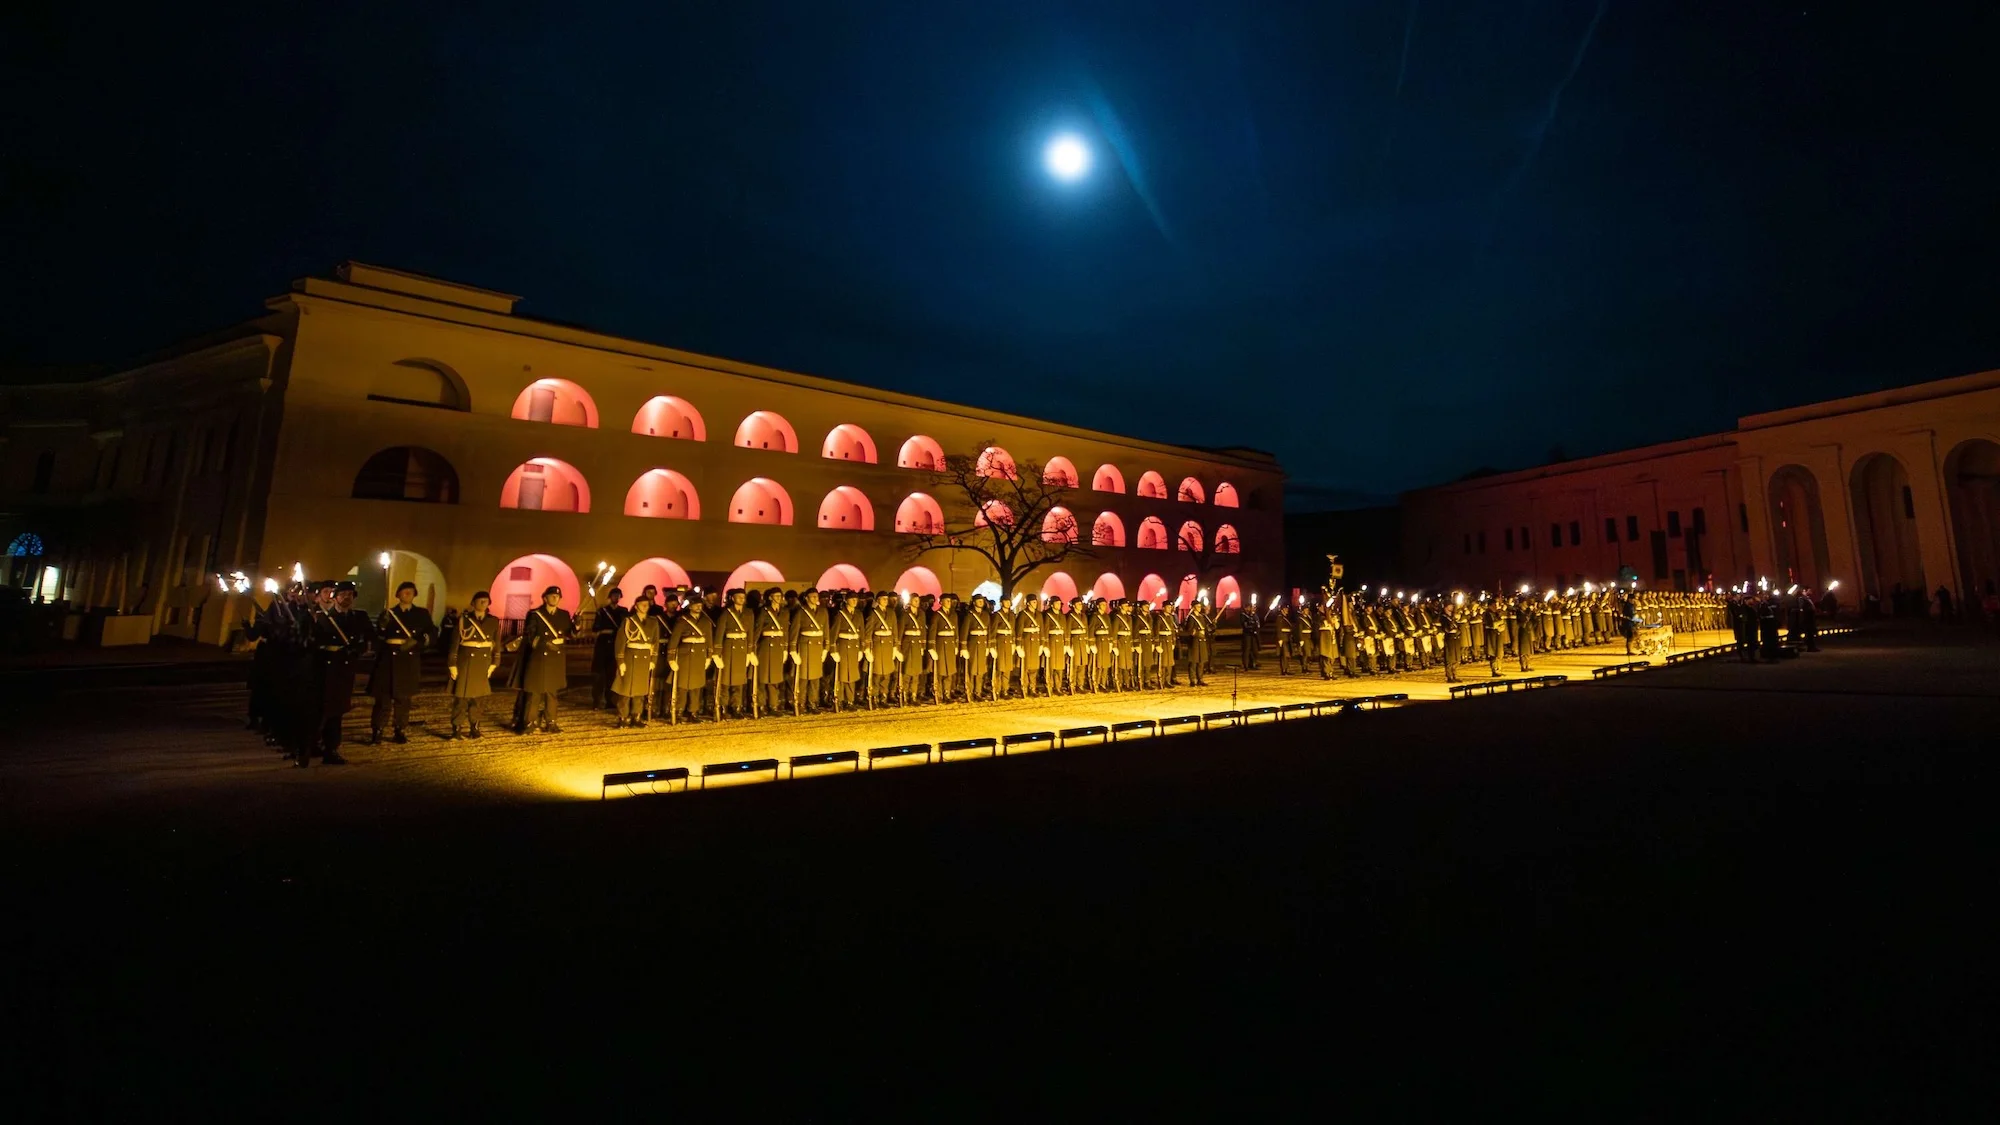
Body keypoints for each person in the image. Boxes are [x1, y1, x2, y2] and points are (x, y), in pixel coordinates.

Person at [304, 580, 373, 766]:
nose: (347, 598)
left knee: (337, 711)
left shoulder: (359, 618)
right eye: (343, 594)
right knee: (319, 710)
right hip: (324, 669)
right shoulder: (322, 617)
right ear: (335, 597)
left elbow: (369, 638)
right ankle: (310, 745)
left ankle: (331, 749)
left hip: (344, 670)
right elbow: (311, 642)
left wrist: (357, 649)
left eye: (350, 595)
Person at [370, 581, 437, 744]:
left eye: (411, 592)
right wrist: (383, 627)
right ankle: (377, 730)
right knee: (383, 699)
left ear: (414, 595)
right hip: (388, 660)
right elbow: (378, 637)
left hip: (408, 659)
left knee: (403, 699)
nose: (407, 594)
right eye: (404, 592)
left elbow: (432, 632)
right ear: (398, 595)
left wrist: (417, 642)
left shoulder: (421, 614)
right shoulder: (388, 613)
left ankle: (400, 729)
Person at [508, 585, 574, 733]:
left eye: (557, 596)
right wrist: (547, 642)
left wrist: (577, 625)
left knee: (552, 693)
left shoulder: (564, 615)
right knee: (534, 692)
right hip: (538, 658)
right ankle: (529, 723)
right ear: (545, 598)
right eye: (552, 596)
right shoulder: (535, 614)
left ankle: (551, 722)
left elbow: (570, 634)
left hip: (555, 659)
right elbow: (531, 636)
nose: (555, 598)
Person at [445, 591, 500, 738]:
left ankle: (475, 727)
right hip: (465, 663)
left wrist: (495, 662)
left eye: (486, 601)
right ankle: (456, 729)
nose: (483, 603)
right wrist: (452, 664)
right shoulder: (464, 620)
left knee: (477, 699)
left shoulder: (493, 621)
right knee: (461, 699)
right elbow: (455, 643)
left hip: (483, 663)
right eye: (480, 600)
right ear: (473, 603)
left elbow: (496, 644)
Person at [611, 594, 660, 727]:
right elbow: (620, 643)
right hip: (630, 657)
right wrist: (620, 662)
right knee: (625, 690)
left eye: (647, 605)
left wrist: (653, 659)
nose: (645, 607)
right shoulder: (628, 622)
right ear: (636, 606)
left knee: (640, 690)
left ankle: (636, 717)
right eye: (642, 604)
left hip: (644, 658)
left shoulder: (653, 622)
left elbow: (655, 642)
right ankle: (622, 718)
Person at [665, 595, 714, 722]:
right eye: (696, 605)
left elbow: (709, 640)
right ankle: (679, 711)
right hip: (684, 656)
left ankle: (693, 711)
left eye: (700, 605)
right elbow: (674, 640)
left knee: (696, 686)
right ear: (690, 606)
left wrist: (709, 657)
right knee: (682, 686)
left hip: (699, 655)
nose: (699, 607)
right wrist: (671, 658)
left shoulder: (706, 621)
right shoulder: (682, 621)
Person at [788, 588, 830, 712]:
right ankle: (801, 703)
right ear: (806, 598)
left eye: (816, 596)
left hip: (817, 647)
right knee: (803, 678)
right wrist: (793, 650)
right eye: (812, 596)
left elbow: (826, 631)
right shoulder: (800, 612)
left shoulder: (823, 612)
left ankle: (813, 703)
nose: (815, 599)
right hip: (805, 647)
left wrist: (826, 648)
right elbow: (794, 632)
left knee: (815, 678)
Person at [715, 589, 755, 718]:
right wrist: (717, 653)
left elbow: (751, 634)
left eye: (743, 597)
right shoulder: (726, 613)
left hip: (742, 649)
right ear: (733, 598)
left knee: (739, 681)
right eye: (739, 597)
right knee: (725, 681)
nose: (741, 599)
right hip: (728, 648)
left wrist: (750, 651)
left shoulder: (749, 613)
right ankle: (723, 707)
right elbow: (719, 633)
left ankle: (736, 707)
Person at [755, 587, 791, 716]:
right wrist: (752, 649)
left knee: (775, 678)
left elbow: (785, 631)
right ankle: (760, 705)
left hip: (778, 646)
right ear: (770, 598)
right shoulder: (764, 611)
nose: (778, 599)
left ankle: (773, 705)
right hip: (765, 647)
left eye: (780, 596)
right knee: (762, 678)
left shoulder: (785, 612)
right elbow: (758, 630)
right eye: (776, 596)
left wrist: (785, 649)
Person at [589, 587, 626, 711]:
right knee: (599, 676)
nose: (616, 597)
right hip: (602, 646)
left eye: (618, 595)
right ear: (610, 597)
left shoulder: (623, 611)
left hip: (616, 646)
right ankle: (597, 701)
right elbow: (595, 630)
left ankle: (610, 701)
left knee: (612, 676)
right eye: (614, 595)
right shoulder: (602, 611)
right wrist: (604, 631)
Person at [831, 592, 866, 707]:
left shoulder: (859, 614)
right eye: (852, 600)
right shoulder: (840, 615)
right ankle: (840, 699)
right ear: (846, 601)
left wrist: (861, 649)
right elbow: (834, 634)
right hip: (843, 647)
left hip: (854, 648)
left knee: (853, 675)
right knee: (842, 675)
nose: (855, 602)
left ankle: (850, 700)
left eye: (856, 599)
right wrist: (833, 650)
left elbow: (862, 633)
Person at [1185, 601, 1212, 686]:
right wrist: (1198, 634)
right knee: (1193, 662)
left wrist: (1212, 627)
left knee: (1201, 662)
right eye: (1198, 606)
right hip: (1195, 642)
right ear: (1193, 607)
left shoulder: (1201, 616)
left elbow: (1205, 628)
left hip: (1202, 641)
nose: (1200, 608)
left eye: (1200, 606)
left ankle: (1200, 679)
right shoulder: (1191, 618)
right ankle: (1192, 680)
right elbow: (1189, 630)